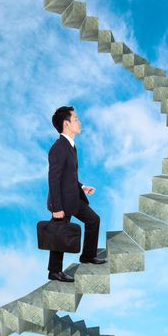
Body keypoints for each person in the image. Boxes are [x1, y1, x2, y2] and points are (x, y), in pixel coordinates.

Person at [47, 105, 106, 282]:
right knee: (59, 234)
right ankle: (54, 271)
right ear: (66, 124)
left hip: (73, 197)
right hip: (62, 203)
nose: (79, 123)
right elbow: (54, 179)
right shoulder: (58, 147)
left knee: (93, 220)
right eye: (76, 119)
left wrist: (81, 187)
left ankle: (87, 256)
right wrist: (57, 208)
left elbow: (68, 175)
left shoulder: (71, 146)